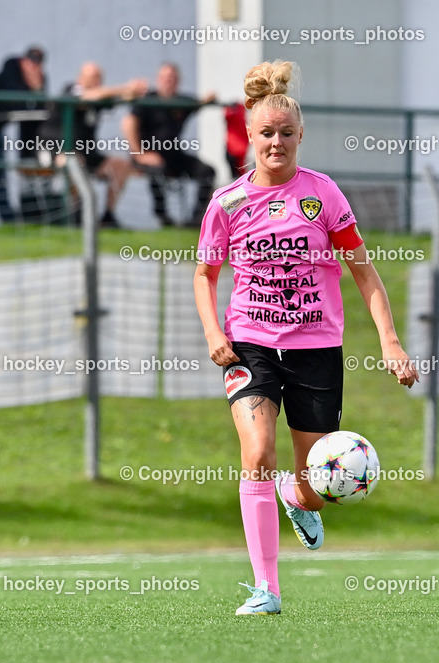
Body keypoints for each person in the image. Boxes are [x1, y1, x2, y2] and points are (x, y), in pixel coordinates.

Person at [193, 61, 418, 616]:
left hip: (316, 348)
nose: (276, 143)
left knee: (315, 479)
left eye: (286, 133)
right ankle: (266, 589)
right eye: (266, 133)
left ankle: (298, 498)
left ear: (300, 136)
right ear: (250, 135)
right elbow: (204, 273)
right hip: (250, 344)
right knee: (257, 453)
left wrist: (389, 341)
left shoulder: (324, 196)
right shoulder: (227, 203)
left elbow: (364, 271)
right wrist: (214, 331)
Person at [40, 62, 146, 226]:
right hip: (55, 150)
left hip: (86, 153)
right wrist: (125, 87)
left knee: (121, 165)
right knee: (74, 162)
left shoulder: (100, 98)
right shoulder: (71, 90)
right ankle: (76, 215)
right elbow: (89, 96)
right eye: (92, 78)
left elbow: (117, 98)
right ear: (80, 79)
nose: (96, 82)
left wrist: (135, 90)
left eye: (99, 78)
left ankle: (108, 216)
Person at [122, 62, 215, 227]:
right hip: (146, 154)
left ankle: (196, 220)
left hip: (173, 154)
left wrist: (208, 99)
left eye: (172, 78)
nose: (168, 81)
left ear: (178, 81)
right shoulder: (147, 100)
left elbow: (200, 102)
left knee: (207, 171)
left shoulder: (182, 102)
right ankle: (163, 216)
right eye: (164, 78)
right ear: (157, 80)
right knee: (157, 169)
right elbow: (128, 123)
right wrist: (140, 154)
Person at [0, 46, 47, 222]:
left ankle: (6, 217)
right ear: (23, 61)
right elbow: (16, 101)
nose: (33, 67)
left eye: (37, 63)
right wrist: (31, 91)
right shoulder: (11, 69)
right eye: (30, 62)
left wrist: (37, 90)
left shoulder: (39, 80)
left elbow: (39, 110)